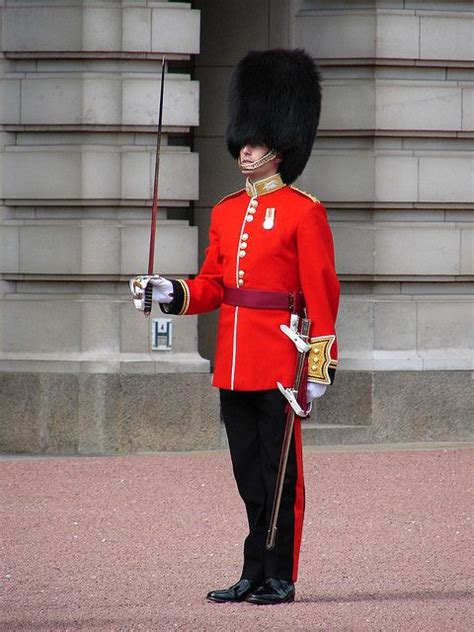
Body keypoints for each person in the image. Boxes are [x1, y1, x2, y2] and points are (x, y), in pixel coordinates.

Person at [130, 49, 340, 605]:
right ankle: (252, 570)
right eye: (242, 141)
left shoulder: (304, 212)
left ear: (280, 146)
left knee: (281, 480)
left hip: (279, 365)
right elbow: (214, 288)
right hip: (233, 363)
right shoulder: (226, 212)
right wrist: (169, 293)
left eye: (255, 142)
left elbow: (323, 292)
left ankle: (281, 574)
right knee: (248, 476)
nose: (244, 150)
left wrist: (318, 363)